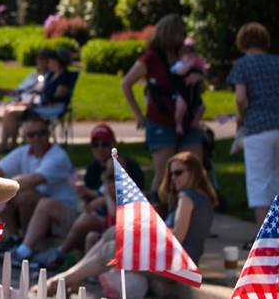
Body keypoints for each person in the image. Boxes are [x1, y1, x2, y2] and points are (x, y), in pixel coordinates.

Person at [46, 152, 215, 298]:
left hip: (177, 266)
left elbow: (177, 236)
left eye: (178, 173)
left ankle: (61, 280)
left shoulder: (187, 197)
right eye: (171, 174)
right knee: (114, 231)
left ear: (193, 172)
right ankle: (71, 277)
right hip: (176, 261)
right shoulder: (202, 198)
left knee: (114, 248)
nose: (173, 178)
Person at [33, 125, 143, 269]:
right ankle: (29, 250)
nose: (100, 149)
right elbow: (90, 205)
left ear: (114, 144)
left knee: (87, 221)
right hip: (99, 218)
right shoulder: (93, 169)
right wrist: (86, 195)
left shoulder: (128, 167)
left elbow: (127, 202)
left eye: (105, 144)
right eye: (95, 145)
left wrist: (100, 197)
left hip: (119, 220)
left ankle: (61, 253)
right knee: (49, 206)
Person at [120, 14, 202, 194]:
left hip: (188, 121)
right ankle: (158, 212)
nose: (183, 37)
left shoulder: (185, 57)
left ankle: (189, 214)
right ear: (169, 34)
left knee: (193, 170)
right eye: (180, 33)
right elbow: (126, 84)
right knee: (164, 173)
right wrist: (139, 115)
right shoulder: (151, 59)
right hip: (161, 121)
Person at [0, 112, 79, 264]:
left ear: (49, 134)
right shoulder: (23, 152)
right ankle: (15, 238)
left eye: (42, 133)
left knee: (26, 196)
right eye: (32, 135)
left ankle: (25, 248)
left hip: (63, 212)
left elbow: (33, 180)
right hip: (40, 208)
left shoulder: (58, 155)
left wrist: (3, 189)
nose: (37, 138)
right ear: (26, 137)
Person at [226, 22, 279, 226]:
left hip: (257, 127)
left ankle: (265, 243)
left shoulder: (243, 65)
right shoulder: (276, 62)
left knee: (260, 185)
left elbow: (240, 97)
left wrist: (243, 115)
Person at [0, 48, 76, 151]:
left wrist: (38, 102)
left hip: (53, 107)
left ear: (58, 62)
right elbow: (43, 93)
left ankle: (12, 145)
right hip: (42, 105)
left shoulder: (64, 76)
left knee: (12, 113)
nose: (49, 63)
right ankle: (4, 145)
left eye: (51, 60)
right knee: (9, 111)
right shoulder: (51, 75)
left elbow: (58, 96)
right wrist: (34, 97)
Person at [0, 48, 53, 150]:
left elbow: (40, 96)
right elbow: (19, 91)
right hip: (20, 101)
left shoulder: (49, 77)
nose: (40, 62)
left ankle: (9, 144)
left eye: (43, 59)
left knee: (10, 112)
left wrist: (24, 101)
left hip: (33, 106)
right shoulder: (33, 75)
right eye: (39, 59)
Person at [171, 38, 207, 136]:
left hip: (193, 93)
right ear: (181, 57)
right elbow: (180, 73)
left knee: (202, 108)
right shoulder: (179, 65)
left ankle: (195, 122)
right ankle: (178, 124)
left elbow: (202, 75)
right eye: (188, 56)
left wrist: (202, 70)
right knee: (181, 107)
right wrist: (188, 66)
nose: (191, 58)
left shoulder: (196, 67)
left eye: (193, 56)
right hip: (182, 93)